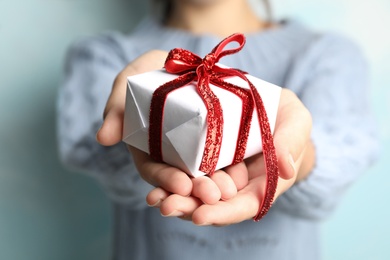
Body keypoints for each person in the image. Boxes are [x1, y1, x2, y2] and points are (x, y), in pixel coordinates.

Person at [57, 0, 379, 259]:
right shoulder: (105, 57)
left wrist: (294, 152)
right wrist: (137, 126)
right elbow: (97, 150)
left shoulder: (327, 55)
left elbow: (342, 155)